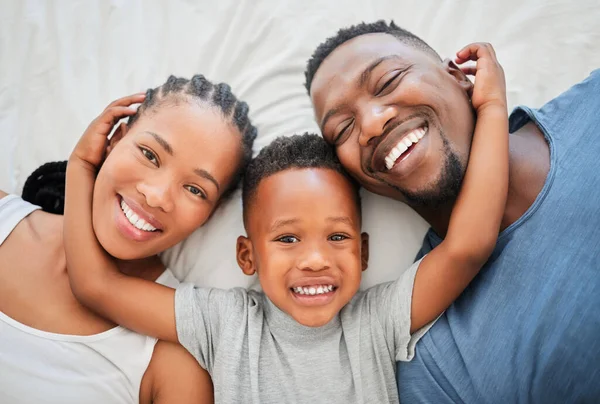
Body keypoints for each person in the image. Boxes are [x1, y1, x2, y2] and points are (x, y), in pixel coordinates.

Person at [62, 43, 507, 403]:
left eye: (337, 237)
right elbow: (95, 286)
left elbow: (467, 246)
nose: (315, 259)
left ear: (363, 251)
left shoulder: (376, 322)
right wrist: (81, 166)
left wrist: (490, 108)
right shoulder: (224, 323)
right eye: (288, 238)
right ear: (247, 255)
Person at [306, 20, 600, 403]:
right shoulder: (435, 365)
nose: (372, 124)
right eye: (343, 129)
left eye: (388, 81)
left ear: (459, 75)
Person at [0, 74, 257, 404]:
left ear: (210, 213)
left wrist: (82, 169)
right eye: (150, 155)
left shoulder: (176, 355)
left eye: (195, 190)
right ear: (114, 139)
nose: (157, 196)